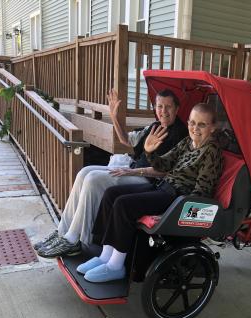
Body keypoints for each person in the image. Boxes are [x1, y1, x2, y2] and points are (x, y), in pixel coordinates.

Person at [77, 103, 222, 283]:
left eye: (202, 124)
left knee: (124, 205)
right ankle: (105, 256)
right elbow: (164, 165)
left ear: (213, 127)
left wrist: (175, 213)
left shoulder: (211, 151)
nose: (195, 128)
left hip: (177, 197)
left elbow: (202, 191)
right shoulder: (187, 142)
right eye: (192, 123)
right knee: (111, 194)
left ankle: (115, 266)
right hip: (163, 186)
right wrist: (149, 151)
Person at [35, 89, 188, 258]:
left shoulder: (180, 134)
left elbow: (166, 170)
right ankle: (62, 231)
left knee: (94, 180)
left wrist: (131, 171)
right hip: (132, 169)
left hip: (148, 180)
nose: (163, 111)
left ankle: (75, 239)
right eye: (159, 106)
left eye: (168, 107)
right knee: (84, 172)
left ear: (177, 108)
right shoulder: (154, 126)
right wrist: (114, 116)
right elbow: (124, 139)